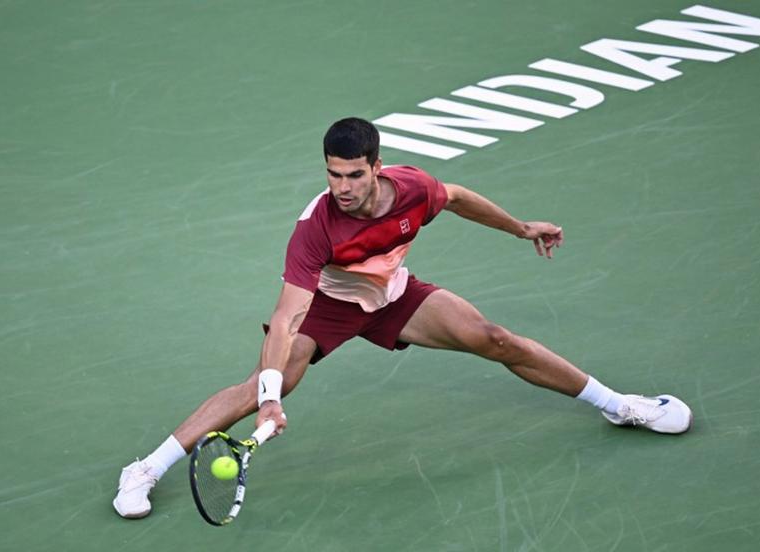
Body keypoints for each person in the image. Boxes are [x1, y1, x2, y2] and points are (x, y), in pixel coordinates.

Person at [112, 117, 692, 519]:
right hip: (328, 309)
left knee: (495, 339)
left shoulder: (412, 189)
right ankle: (143, 470)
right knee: (266, 382)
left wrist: (520, 227)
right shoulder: (315, 227)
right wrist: (270, 397)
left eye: (353, 175)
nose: (341, 187)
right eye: (332, 174)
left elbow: (459, 196)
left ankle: (621, 406)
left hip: (396, 297)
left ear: (376, 167)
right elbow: (288, 316)